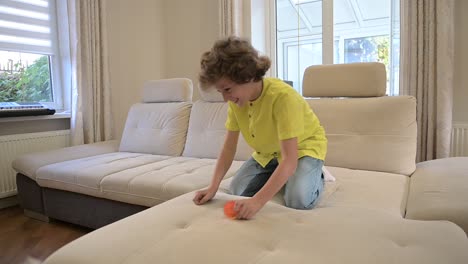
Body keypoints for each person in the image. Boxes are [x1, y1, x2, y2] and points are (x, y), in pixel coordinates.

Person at [192, 36, 327, 220]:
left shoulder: (283, 98)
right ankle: (281, 175)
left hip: (301, 149)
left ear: (247, 77)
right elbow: (228, 148)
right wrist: (213, 187)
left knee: (298, 199)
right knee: (237, 190)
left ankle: (315, 174)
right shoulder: (236, 101)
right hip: (268, 153)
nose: (225, 99)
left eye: (227, 90)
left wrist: (257, 202)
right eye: (220, 91)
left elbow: (289, 159)